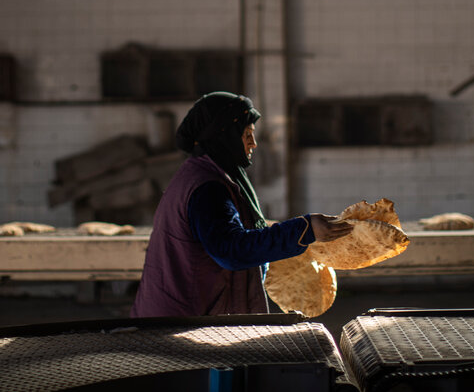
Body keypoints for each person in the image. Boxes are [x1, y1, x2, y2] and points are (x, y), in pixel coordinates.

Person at [131, 91, 353, 317]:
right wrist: (304, 229)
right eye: (247, 135)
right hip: (184, 324)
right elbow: (230, 250)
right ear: (223, 134)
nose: (254, 144)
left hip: (183, 314)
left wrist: (291, 235)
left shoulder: (203, 173)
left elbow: (234, 230)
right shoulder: (208, 188)